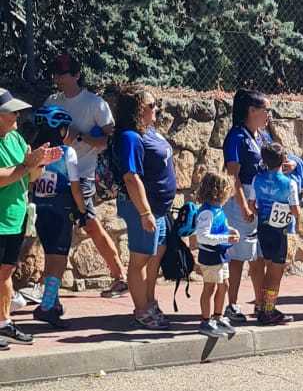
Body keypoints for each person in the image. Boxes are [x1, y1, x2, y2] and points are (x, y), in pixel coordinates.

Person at [42, 51, 128, 297]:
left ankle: (119, 276)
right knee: (55, 229)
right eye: (56, 73)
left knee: (89, 224)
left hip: (83, 175)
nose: (58, 78)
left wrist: (78, 136)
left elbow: (108, 138)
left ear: (77, 75)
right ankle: (47, 288)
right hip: (55, 174)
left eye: (63, 73)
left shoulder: (94, 103)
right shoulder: (52, 101)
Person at [0, 91, 63, 349]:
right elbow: (2, 177)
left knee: (6, 272)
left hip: (15, 218)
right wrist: (27, 166)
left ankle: (3, 323)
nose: (17, 116)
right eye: (12, 112)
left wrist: (39, 163)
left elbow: (31, 177)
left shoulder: (15, 138)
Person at [113, 86, 178, 330]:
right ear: (138, 109)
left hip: (159, 208)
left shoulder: (148, 131)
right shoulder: (130, 137)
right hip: (142, 208)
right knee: (140, 260)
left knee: (153, 258)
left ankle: (149, 303)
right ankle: (141, 310)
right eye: (151, 106)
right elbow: (131, 177)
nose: (157, 109)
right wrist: (145, 212)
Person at [27, 106, 86, 328]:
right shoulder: (66, 152)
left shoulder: (34, 151)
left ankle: (54, 301)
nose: (66, 131)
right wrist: (83, 211)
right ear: (57, 128)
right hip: (61, 212)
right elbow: (75, 188)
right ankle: (47, 307)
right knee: (58, 263)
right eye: (64, 127)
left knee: (50, 257)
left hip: (42, 211)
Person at [222, 89, 272, 324]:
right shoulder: (236, 137)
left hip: (261, 201)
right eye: (265, 110)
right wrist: (243, 206)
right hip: (241, 203)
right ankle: (231, 304)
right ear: (251, 111)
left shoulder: (261, 136)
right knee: (238, 256)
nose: (268, 115)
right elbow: (233, 175)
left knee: (258, 256)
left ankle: (261, 303)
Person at [250, 140, 297, 326]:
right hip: (279, 230)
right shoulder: (289, 183)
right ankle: (268, 311)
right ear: (283, 159)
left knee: (269, 268)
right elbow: (295, 210)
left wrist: (261, 213)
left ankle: (264, 307)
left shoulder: (257, 178)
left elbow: (252, 204)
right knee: (275, 273)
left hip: (263, 226)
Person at [188, 169, 234, 334]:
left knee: (224, 285)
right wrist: (225, 239)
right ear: (218, 192)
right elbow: (203, 237)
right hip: (211, 254)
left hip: (221, 254)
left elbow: (221, 226)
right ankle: (206, 320)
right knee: (210, 287)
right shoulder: (207, 212)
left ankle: (218, 316)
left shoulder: (218, 209)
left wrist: (230, 230)